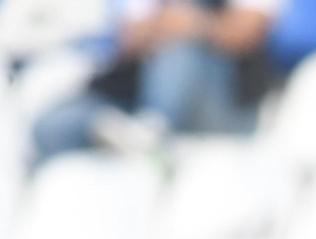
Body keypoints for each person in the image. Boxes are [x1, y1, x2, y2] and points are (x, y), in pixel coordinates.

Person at [31, 0, 277, 162]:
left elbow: (246, 32)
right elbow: (129, 38)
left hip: (221, 104)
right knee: (55, 123)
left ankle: (151, 137)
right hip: (138, 92)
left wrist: (194, 25)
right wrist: (164, 26)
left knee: (180, 53)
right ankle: (129, 138)